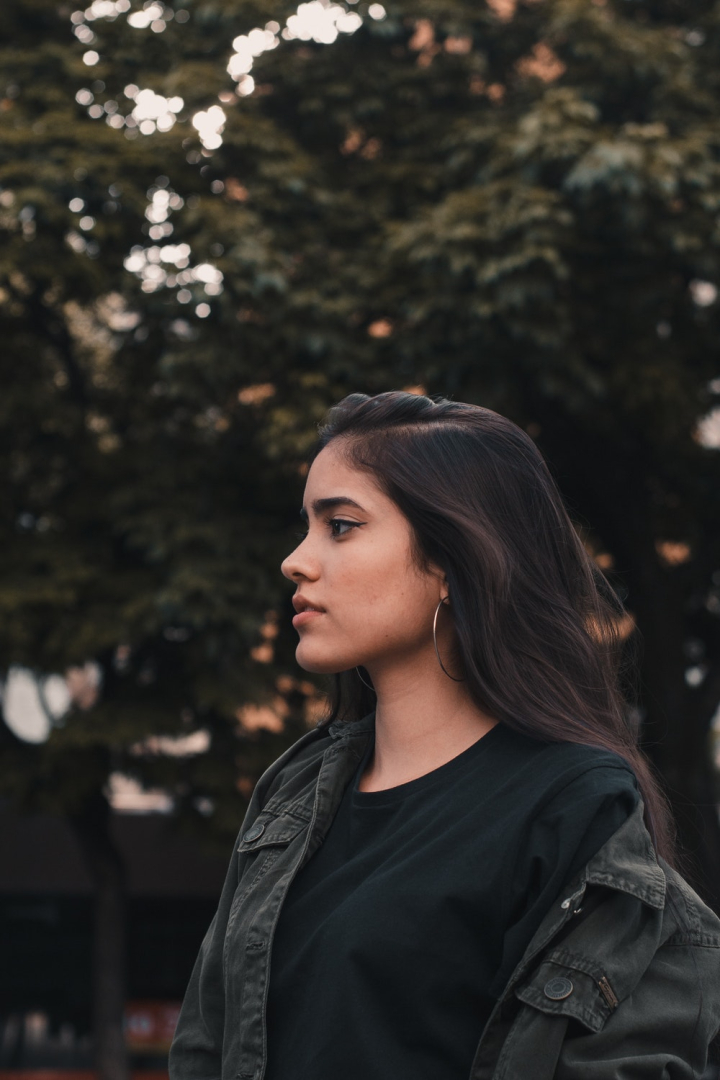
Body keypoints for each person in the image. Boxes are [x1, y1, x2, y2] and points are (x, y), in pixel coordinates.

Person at [169, 391, 720, 1079]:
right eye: (305, 526)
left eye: (339, 526)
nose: (297, 560)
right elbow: (204, 1045)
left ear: (451, 562)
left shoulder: (571, 805)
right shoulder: (296, 793)